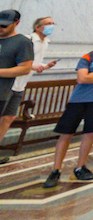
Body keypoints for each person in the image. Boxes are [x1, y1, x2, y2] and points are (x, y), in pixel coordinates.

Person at [43, 26, 93, 188]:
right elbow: (81, 79)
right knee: (66, 134)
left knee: (90, 133)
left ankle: (80, 167)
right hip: (78, 100)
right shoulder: (88, 56)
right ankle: (56, 170)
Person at [0, 15, 56, 163]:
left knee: (9, 117)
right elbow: (19, 61)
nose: (51, 26)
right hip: (8, 84)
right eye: (48, 24)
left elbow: (34, 62)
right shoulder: (26, 40)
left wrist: (44, 66)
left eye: (52, 23)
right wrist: (33, 65)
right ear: (37, 27)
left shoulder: (45, 42)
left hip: (20, 85)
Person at [0, 10, 34, 165]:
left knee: (7, 118)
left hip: (2, 91)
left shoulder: (22, 42)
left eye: (4, 26)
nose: (0, 28)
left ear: (16, 23)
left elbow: (25, 68)